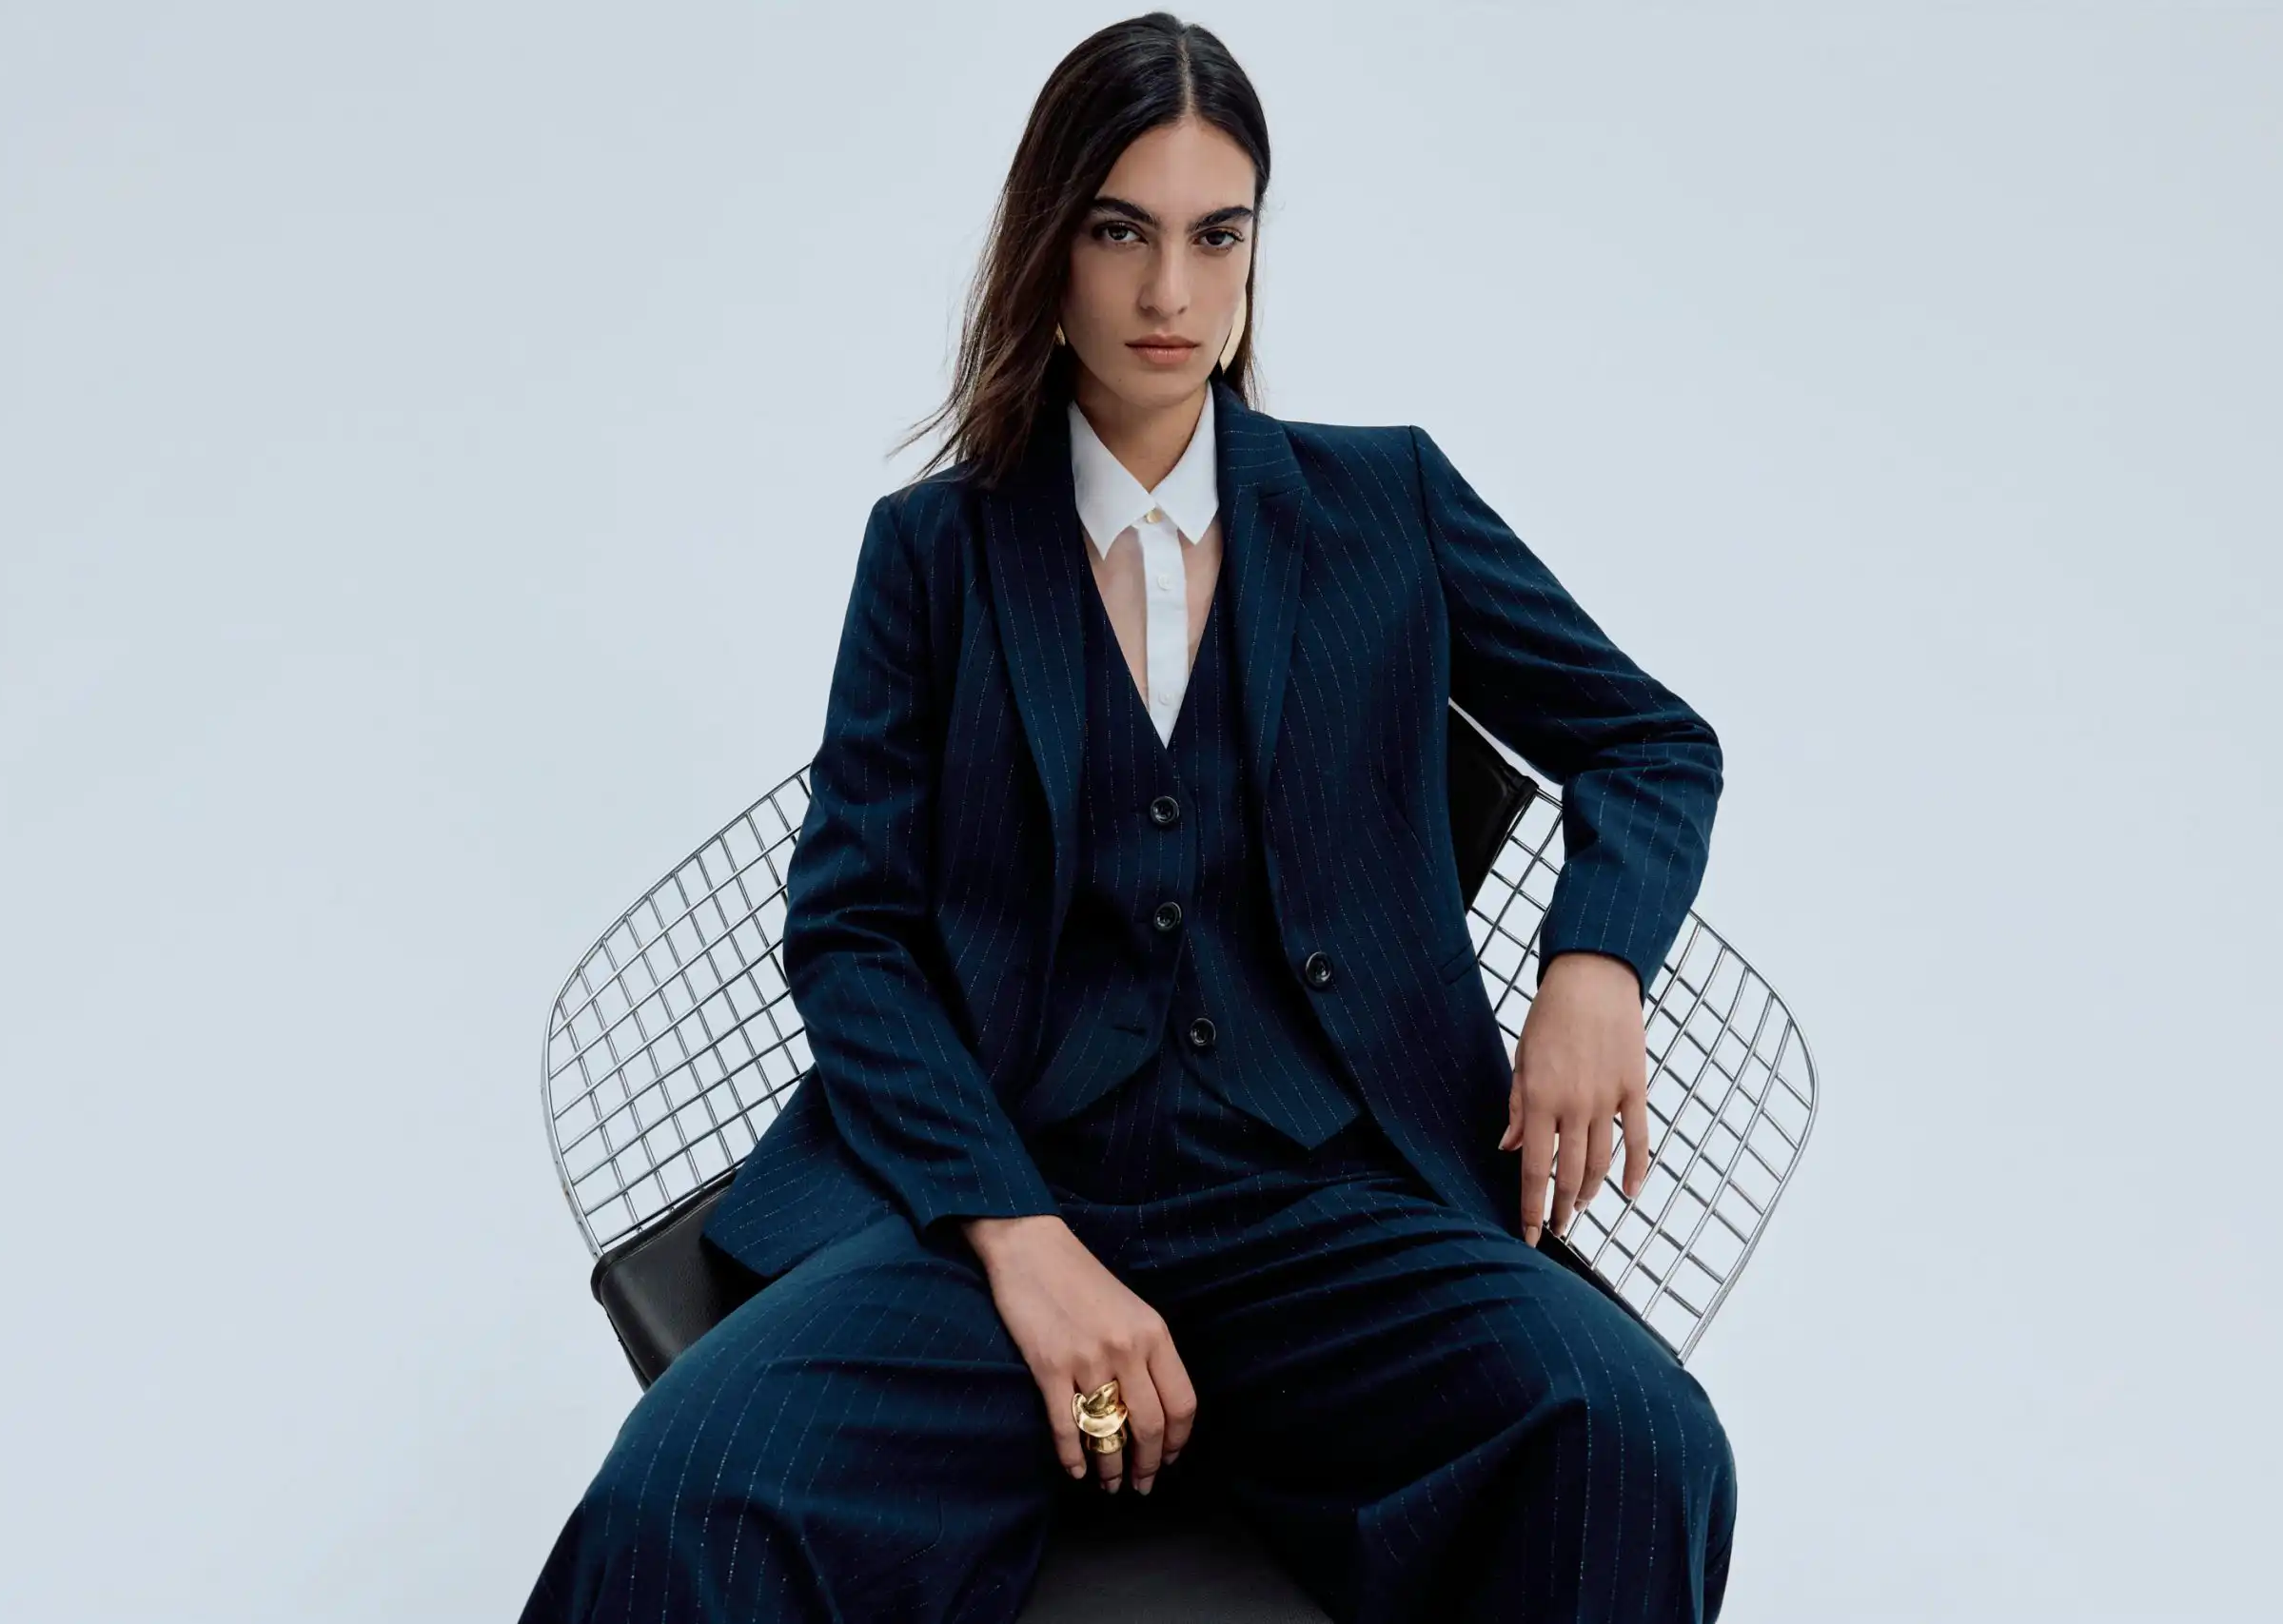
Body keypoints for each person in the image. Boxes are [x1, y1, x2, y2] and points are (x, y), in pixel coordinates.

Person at [520, 12, 1734, 1621]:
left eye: (1216, 235)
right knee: (679, 1497)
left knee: (1638, 1435)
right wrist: (1019, 1237)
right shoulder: (936, 553)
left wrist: (1596, 963)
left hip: (1327, 1210)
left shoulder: (1387, 504)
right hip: (994, 1214)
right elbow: (853, 932)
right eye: (1120, 233)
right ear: (1051, 248)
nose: (1172, 291)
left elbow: (1649, 742)